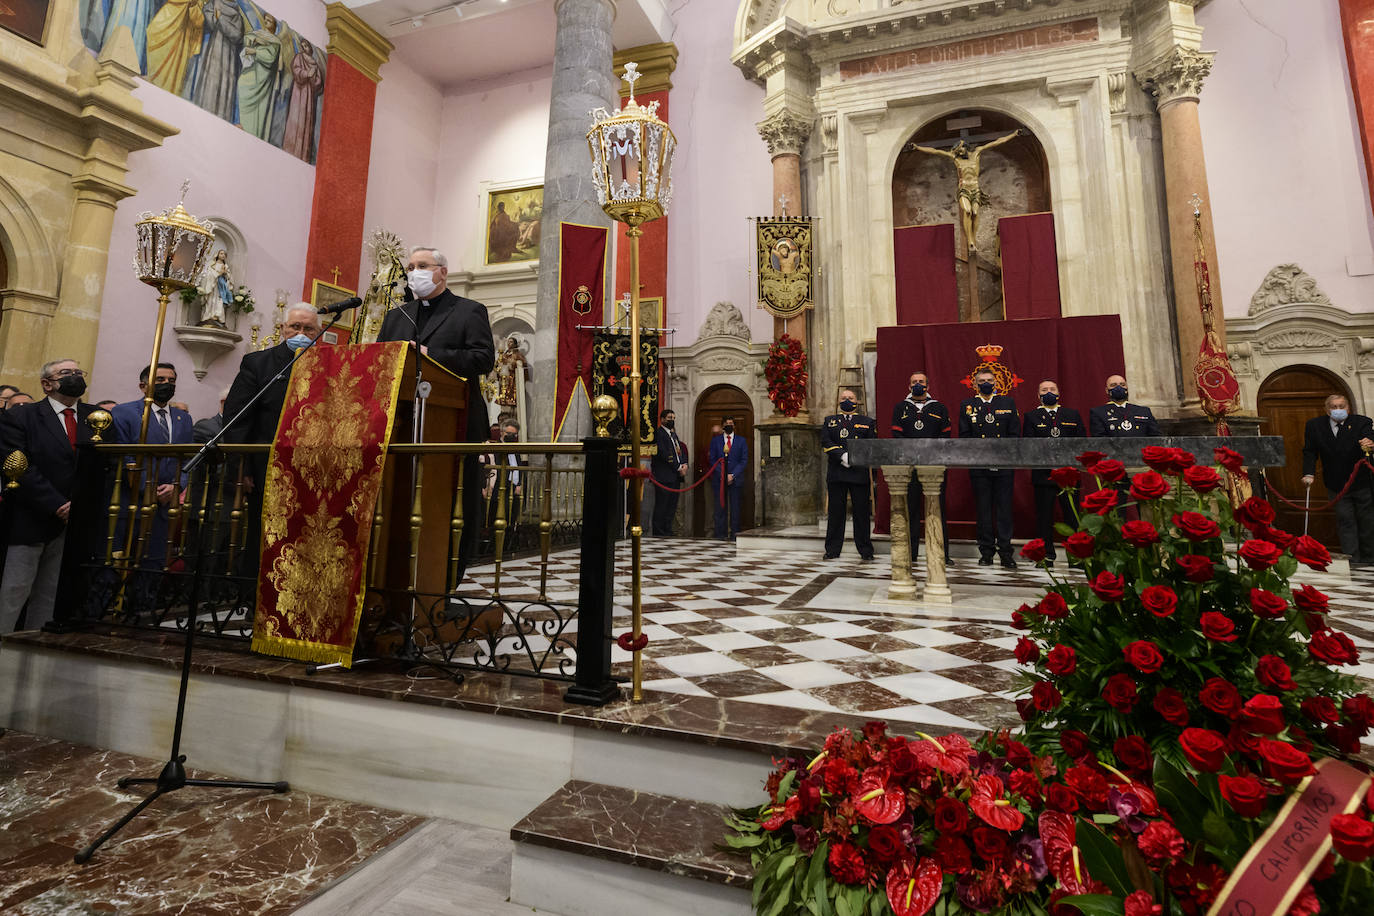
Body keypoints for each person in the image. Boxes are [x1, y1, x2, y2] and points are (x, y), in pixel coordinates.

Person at [377, 246, 495, 569]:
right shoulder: (396, 317)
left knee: (452, 502)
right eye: (411, 266)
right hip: (403, 424)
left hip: (454, 422)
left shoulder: (469, 311)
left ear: (442, 271)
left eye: (423, 265)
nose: (414, 272)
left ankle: (449, 573)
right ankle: (397, 571)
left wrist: (431, 354)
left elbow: (484, 359)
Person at [0, 359, 99, 633]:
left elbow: (102, 466)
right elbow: (18, 465)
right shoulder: (22, 416)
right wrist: (57, 504)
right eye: (66, 373)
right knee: (14, 589)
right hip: (32, 515)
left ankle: (35, 644)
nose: (75, 377)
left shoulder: (97, 417)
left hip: (75, 519)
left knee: (51, 591)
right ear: (46, 384)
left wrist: (79, 505)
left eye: (79, 372)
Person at [222, 304, 321, 573]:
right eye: (295, 327)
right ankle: (255, 598)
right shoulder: (258, 363)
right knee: (264, 536)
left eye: (308, 328)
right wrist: (240, 467)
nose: (301, 333)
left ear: (318, 333)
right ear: (283, 329)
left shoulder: (328, 364)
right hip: (267, 466)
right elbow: (237, 418)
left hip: (313, 468)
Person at [110, 363, 194, 581]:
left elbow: (188, 459)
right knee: (121, 563)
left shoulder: (182, 418)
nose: (167, 384)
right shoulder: (125, 412)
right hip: (134, 501)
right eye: (160, 380)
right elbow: (125, 456)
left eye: (171, 381)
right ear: (143, 385)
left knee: (154, 565)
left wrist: (177, 485)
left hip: (166, 504)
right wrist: (149, 488)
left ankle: (146, 609)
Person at [1301, 395, 1374, 567]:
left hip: (1361, 480)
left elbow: (1370, 438)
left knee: (1367, 520)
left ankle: (1370, 559)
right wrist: (1308, 473)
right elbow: (1310, 452)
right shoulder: (1315, 425)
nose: (1338, 409)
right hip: (1336, 483)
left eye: (1341, 406)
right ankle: (1353, 561)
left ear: (1348, 408)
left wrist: (1370, 442)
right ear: (1327, 410)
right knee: (1345, 520)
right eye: (1334, 406)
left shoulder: (1362, 422)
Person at [959, 367, 1020, 568]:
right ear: (975, 384)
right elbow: (964, 436)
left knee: (1004, 511)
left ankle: (1005, 553)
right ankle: (986, 552)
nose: (986, 383)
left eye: (990, 380)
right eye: (982, 380)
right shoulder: (967, 405)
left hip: (1003, 466)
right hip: (979, 466)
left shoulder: (1007, 403)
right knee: (983, 511)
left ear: (996, 383)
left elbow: (1014, 434)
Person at [891, 370, 951, 565]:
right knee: (911, 509)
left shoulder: (940, 408)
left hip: (934, 467)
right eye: (914, 382)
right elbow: (897, 437)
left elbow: (945, 437)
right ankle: (911, 553)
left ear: (928, 386)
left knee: (937, 509)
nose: (918, 384)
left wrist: (930, 456)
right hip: (910, 467)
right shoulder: (901, 407)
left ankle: (943, 553)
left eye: (921, 382)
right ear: (909, 387)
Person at [1022, 379, 1085, 565]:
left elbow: (1080, 442)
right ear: (1038, 395)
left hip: (1069, 475)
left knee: (1072, 516)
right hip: (1044, 475)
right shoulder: (1031, 416)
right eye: (1044, 389)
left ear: (1059, 393)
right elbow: (1029, 446)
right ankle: (1046, 555)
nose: (1048, 392)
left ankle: (1076, 557)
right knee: (1044, 517)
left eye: (1052, 389)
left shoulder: (1072, 415)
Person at [822, 390, 876, 561]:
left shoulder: (867, 422)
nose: (847, 400)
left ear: (857, 401)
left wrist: (852, 457)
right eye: (844, 398)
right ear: (839, 401)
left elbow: (870, 444)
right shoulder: (830, 421)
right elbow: (826, 442)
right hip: (837, 473)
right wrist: (842, 456)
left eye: (850, 398)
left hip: (858, 473)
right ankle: (832, 550)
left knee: (861, 513)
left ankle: (865, 550)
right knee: (836, 513)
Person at [707, 415, 748, 539]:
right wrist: (723, 474)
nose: (729, 425)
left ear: (734, 425)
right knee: (720, 509)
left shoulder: (742, 441)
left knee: (735, 509)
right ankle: (720, 534)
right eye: (726, 423)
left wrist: (732, 475)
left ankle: (735, 535)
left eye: (731, 423)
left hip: (736, 480)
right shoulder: (716, 440)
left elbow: (744, 460)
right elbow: (712, 459)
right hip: (719, 479)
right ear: (723, 426)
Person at [650, 408, 688, 537]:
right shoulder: (659, 434)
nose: (671, 421)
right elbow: (664, 454)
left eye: (673, 418)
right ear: (662, 419)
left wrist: (683, 464)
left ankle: (667, 530)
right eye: (669, 418)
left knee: (672, 506)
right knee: (662, 505)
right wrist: (678, 467)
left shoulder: (673, 435)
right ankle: (659, 532)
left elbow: (679, 451)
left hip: (674, 477)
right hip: (663, 476)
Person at [1089, 374, 1160, 437]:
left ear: (1127, 388)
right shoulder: (1098, 412)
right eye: (1113, 385)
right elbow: (1099, 440)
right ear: (1107, 390)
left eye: (1122, 385)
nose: (1119, 388)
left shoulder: (1143, 411)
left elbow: (1156, 437)